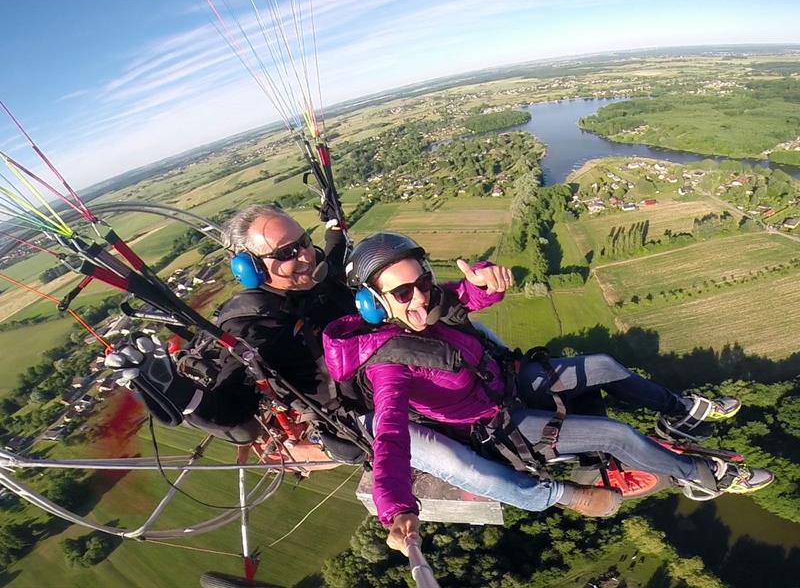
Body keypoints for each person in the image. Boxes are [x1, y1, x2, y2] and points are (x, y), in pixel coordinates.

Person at [107, 204, 621, 520]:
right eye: (286, 253)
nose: (304, 256)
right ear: (247, 267)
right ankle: (551, 495)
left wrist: (473, 288)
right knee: (457, 464)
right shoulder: (248, 329)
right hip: (368, 408)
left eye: (304, 242)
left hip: (406, 357)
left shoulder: (322, 276)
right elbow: (237, 420)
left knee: (479, 335)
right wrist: (179, 396)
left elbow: (399, 285)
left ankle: (552, 411)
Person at [322, 231, 775, 554]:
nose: (420, 298)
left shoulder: (428, 302)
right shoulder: (389, 367)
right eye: (403, 293)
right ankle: (700, 475)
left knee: (604, 365)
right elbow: (392, 442)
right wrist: (396, 509)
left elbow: (467, 295)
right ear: (373, 303)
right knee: (614, 436)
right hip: (497, 425)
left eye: (423, 282)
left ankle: (676, 411)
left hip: (508, 381)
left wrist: (485, 280)